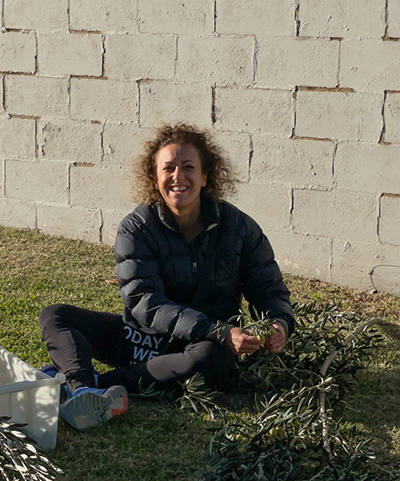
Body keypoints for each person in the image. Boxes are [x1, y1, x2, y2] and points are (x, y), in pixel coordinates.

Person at [39, 123, 295, 431]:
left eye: (188, 167)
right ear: (154, 177)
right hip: (138, 342)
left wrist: (280, 324)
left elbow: (269, 290)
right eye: (168, 168)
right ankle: (81, 388)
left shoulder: (239, 228)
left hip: (197, 349)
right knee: (55, 315)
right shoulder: (136, 227)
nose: (178, 176)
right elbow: (143, 301)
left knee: (212, 358)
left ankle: (98, 384)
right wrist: (219, 329)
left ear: (205, 177)